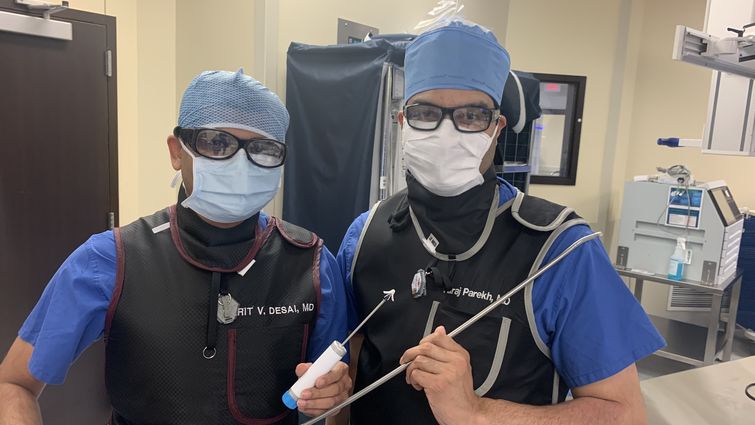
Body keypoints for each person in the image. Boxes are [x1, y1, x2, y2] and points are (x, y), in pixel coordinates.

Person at [336, 20, 664, 425]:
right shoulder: (365, 235)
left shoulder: (560, 251)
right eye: (425, 113)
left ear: (497, 128)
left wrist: (477, 413)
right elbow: (347, 373)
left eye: (471, 116)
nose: (445, 132)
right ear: (403, 122)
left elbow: (624, 415)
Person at [0, 69, 351, 425]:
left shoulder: (311, 263)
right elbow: (14, 384)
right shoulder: (110, 261)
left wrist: (333, 398)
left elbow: (335, 403)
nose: (240, 163)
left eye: (262, 149)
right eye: (217, 143)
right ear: (176, 151)